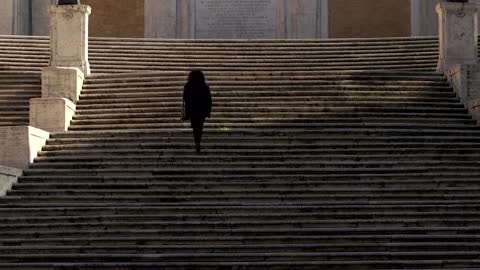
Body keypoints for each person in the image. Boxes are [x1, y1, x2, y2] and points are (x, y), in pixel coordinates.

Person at [183, 70, 212, 154]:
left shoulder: (188, 85)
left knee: (195, 127)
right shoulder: (204, 86)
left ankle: (197, 142)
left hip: (192, 110)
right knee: (200, 126)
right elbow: (209, 99)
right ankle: (198, 141)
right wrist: (208, 110)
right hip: (201, 110)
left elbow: (185, 98)